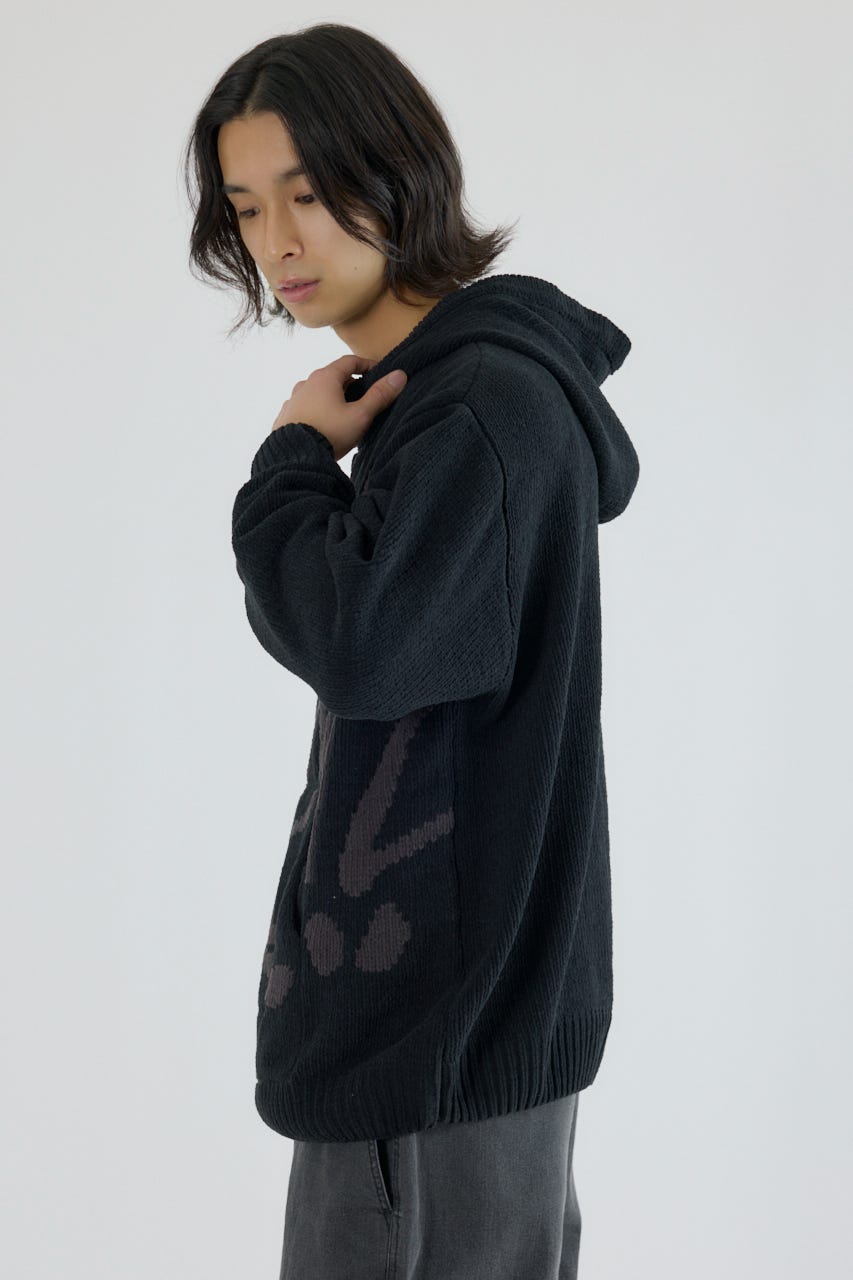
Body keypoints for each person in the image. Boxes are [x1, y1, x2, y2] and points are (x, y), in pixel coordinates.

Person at [183, 22, 639, 1280]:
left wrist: (288, 465)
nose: (277, 242)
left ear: (397, 175)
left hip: (436, 1031)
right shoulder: (449, 400)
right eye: (246, 208)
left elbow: (366, 648)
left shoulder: (478, 408)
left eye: (308, 193)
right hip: (445, 1021)